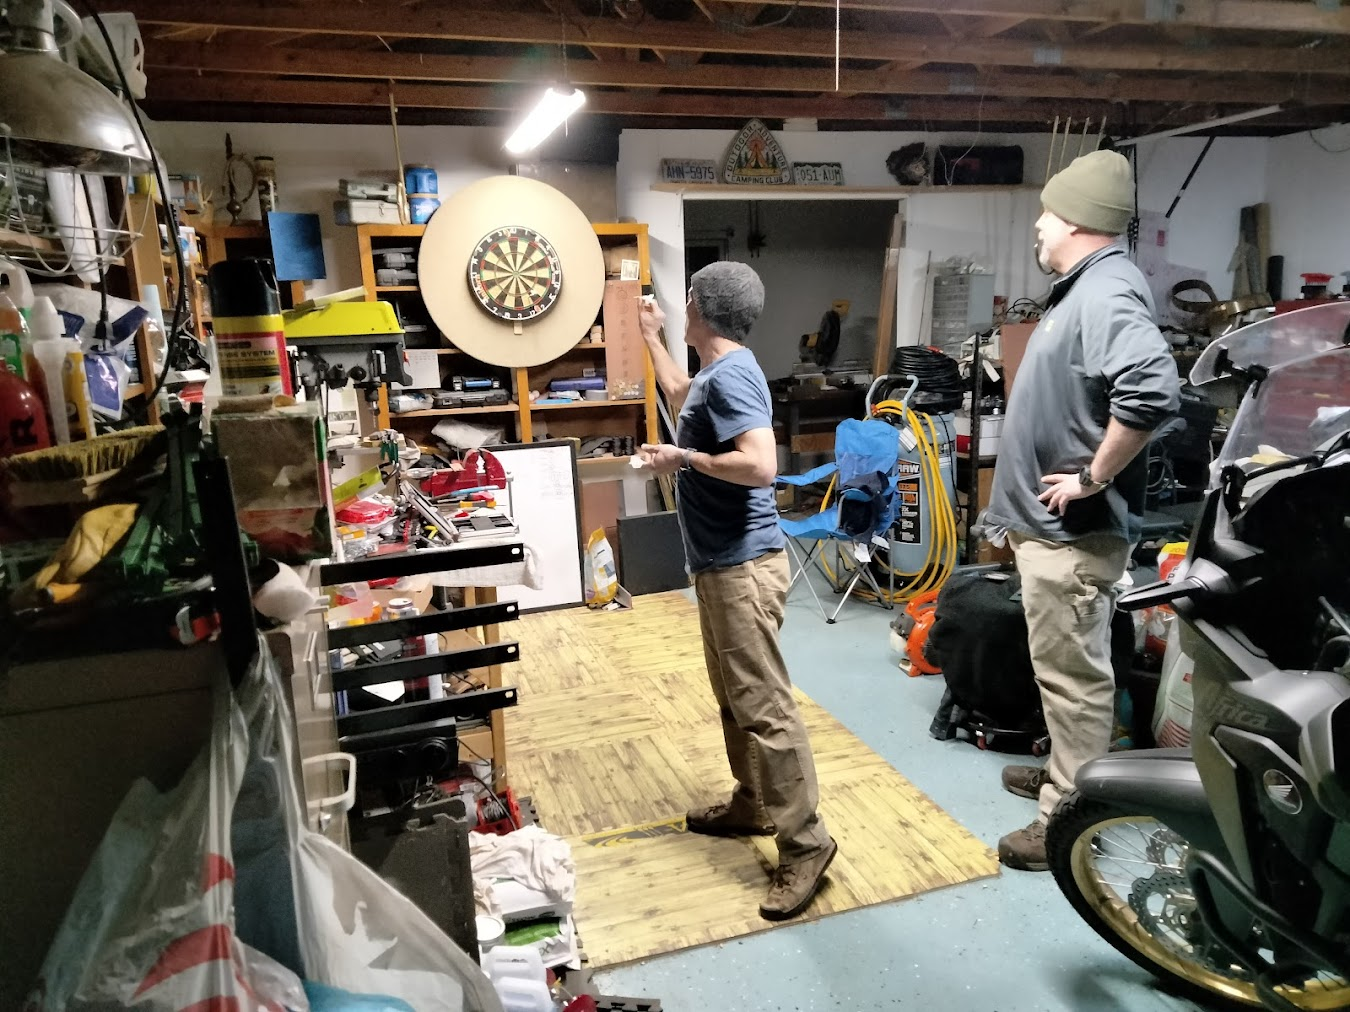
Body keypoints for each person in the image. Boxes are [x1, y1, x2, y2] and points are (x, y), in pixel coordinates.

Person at [984, 149, 1181, 871]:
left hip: (1072, 539)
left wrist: (1093, 478)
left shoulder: (1105, 292)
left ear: (1074, 219)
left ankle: (1069, 815)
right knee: (1059, 672)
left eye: (1045, 213)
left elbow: (1151, 390)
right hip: (1048, 534)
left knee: (1074, 680)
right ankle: (1068, 770)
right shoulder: (1086, 287)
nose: (1038, 225)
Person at [636, 261, 837, 920]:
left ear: (702, 306)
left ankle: (806, 843)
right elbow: (680, 395)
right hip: (720, 564)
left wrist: (682, 459)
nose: (683, 303)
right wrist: (650, 336)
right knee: (735, 694)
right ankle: (754, 802)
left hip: (742, 567)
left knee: (765, 706)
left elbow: (760, 464)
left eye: (687, 296)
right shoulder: (713, 375)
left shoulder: (733, 377)